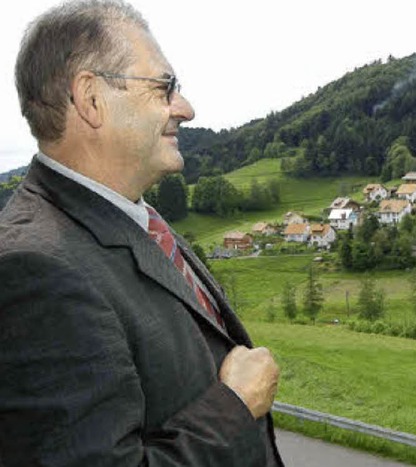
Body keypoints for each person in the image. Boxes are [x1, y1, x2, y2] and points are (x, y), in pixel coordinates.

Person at [0, 1, 283, 465]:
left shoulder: (134, 218)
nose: (185, 109)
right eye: (164, 87)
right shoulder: (35, 269)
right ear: (91, 99)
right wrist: (234, 409)